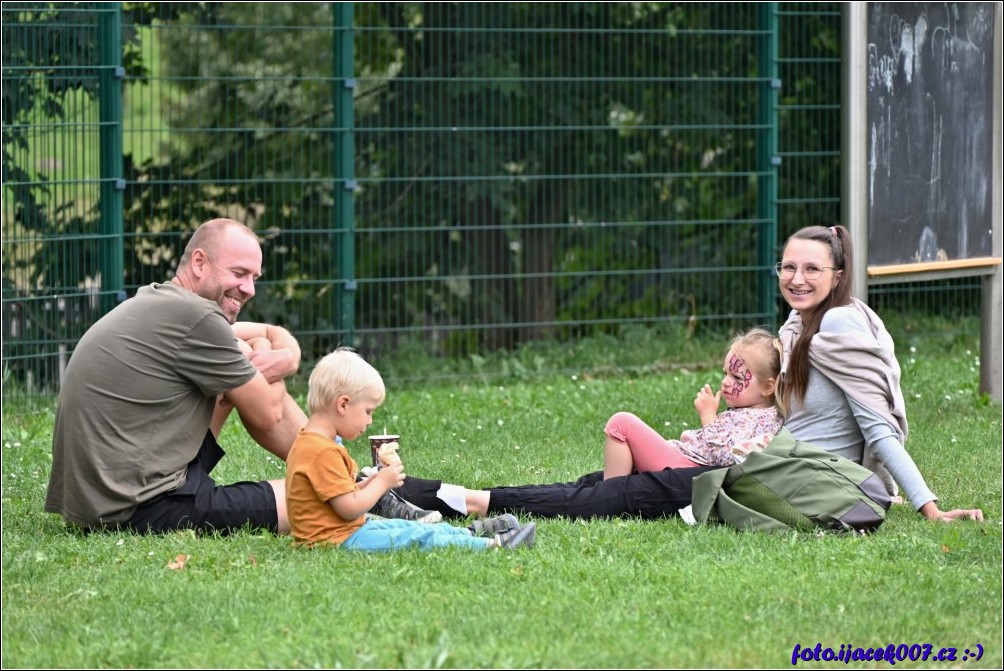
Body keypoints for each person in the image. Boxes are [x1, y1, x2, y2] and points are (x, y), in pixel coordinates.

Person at [392, 225, 984, 524]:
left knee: (616, 493)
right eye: (788, 266)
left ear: (837, 275)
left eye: (811, 269)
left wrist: (928, 506)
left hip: (783, 483)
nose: (796, 278)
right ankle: (421, 492)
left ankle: (448, 498)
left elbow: (880, 432)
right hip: (758, 469)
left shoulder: (839, 330)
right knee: (594, 484)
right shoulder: (799, 328)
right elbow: (768, 407)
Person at [45, 218, 309, 535]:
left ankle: (333, 468)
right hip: (139, 508)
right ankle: (339, 478)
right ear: (199, 262)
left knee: (237, 352)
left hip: (102, 500)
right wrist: (266, 352)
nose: (249, 289)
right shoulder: (198, 318)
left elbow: (267, 331)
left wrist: (286, 354)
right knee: (318, 501)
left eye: (254, 278)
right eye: (239, 274)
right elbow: (269, 413)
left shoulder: (164, 301)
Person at [285, 347, 537, 551]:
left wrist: (370, 481)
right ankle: (490, 545)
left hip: (343, 530)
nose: (370, 420)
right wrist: (381, 483)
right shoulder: (321, 451)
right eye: (368, 411)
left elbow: (338, 495)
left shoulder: (314, 443)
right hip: (333, 541)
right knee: (414, 538)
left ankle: (465, 533)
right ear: (343, 404)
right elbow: (349, 507)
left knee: (407, 527)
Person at [602, 327, 784, 479]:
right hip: (681, 460)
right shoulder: (755, 413)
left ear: (768, 387)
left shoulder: (759, 418)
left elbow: (730, 458)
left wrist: (708, 417)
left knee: (621, 423)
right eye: (725, 373)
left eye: (736, 377)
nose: (726, 382)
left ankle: (608, 495)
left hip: (682, 468)